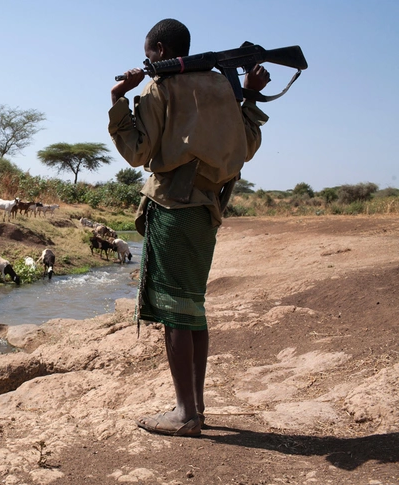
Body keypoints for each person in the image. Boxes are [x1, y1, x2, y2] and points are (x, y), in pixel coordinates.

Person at [108, 18, 271, 437]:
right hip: (207, 211)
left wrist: (118, 102)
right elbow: (246, 147)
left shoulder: (160, 87)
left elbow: (137, 152)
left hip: (172, 208)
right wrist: (250, 98)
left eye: (149, 55)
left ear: (161, 50)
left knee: (177, 312)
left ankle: (184, 414)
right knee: (192, 307)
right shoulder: (223, 87)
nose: (146, 61)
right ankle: (194, 406)